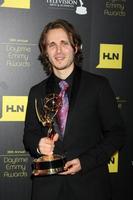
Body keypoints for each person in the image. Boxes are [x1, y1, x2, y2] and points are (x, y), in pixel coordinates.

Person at [23, 19, 126, 200]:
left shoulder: (99, 86)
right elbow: (29, 135)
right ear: (45, 52)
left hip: (90, 186)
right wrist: (38, 145)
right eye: (52, 45)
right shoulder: (36, 92)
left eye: (64, 43)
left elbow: (117, 134)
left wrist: (85, 162)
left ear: (75, 47)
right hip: (47, 189)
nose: (59, 50)